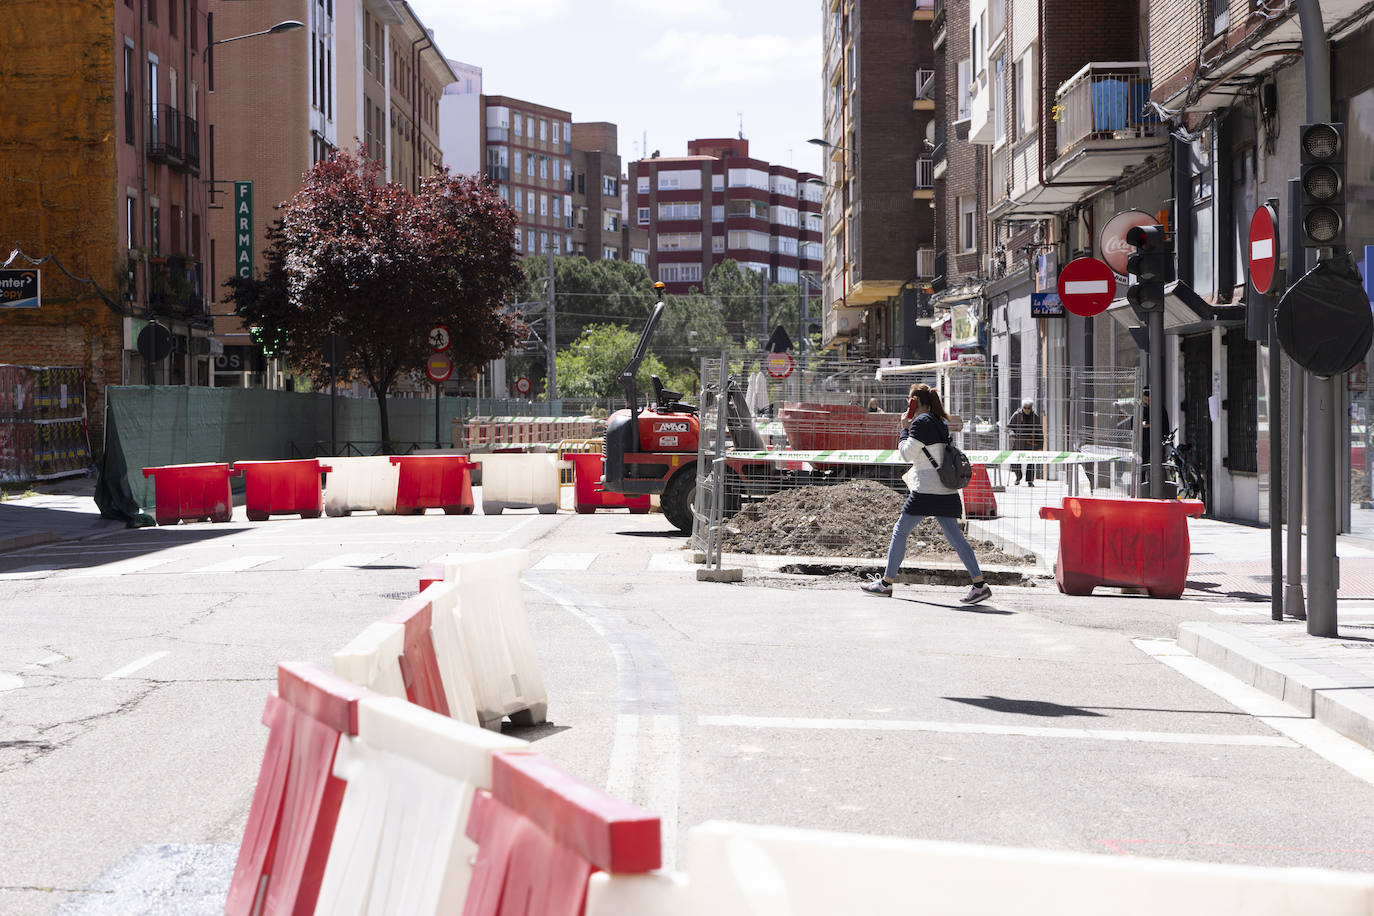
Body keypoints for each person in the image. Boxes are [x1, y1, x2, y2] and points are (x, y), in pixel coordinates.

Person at [861, 383, 992, 604]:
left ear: (916, 403)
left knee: (900, 532)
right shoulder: (939, 422)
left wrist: (904, 428)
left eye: (909, 401)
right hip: (946, 490)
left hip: (925, 490)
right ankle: (979, 585)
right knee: (957, 539)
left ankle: (886, 583)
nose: (907, 405)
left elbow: (906, 453)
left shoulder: (921, 422)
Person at [1007, 398, 1043, 486]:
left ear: (1031, 408)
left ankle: (1030, 481)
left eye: (1028, 408)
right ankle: (1018, 477)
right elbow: (1009, 427)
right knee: (1015, 460)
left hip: (1031, 442)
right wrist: (1012, 433)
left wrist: (1040, 446)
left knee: (1030, 461)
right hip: (1018, 442)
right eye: (1025, 408)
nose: (1027, 410)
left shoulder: (1035, 417)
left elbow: (1039, 431)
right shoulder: (1016, 415)